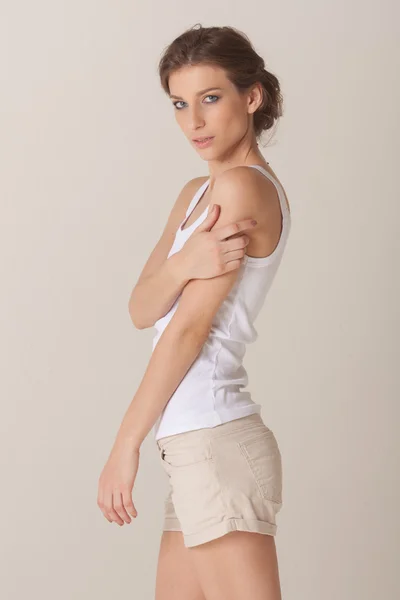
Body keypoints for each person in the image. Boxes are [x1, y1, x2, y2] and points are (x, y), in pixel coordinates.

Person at [97, 24, 291, 600]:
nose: (193, 122)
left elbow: (184, 331)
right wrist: (186, 263)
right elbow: (141, 307)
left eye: (211, 98)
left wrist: (123, 445)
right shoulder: (195, 194)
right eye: (180, 104)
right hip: (192, 447)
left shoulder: (243, 188)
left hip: (215, 443)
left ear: (250, 97)